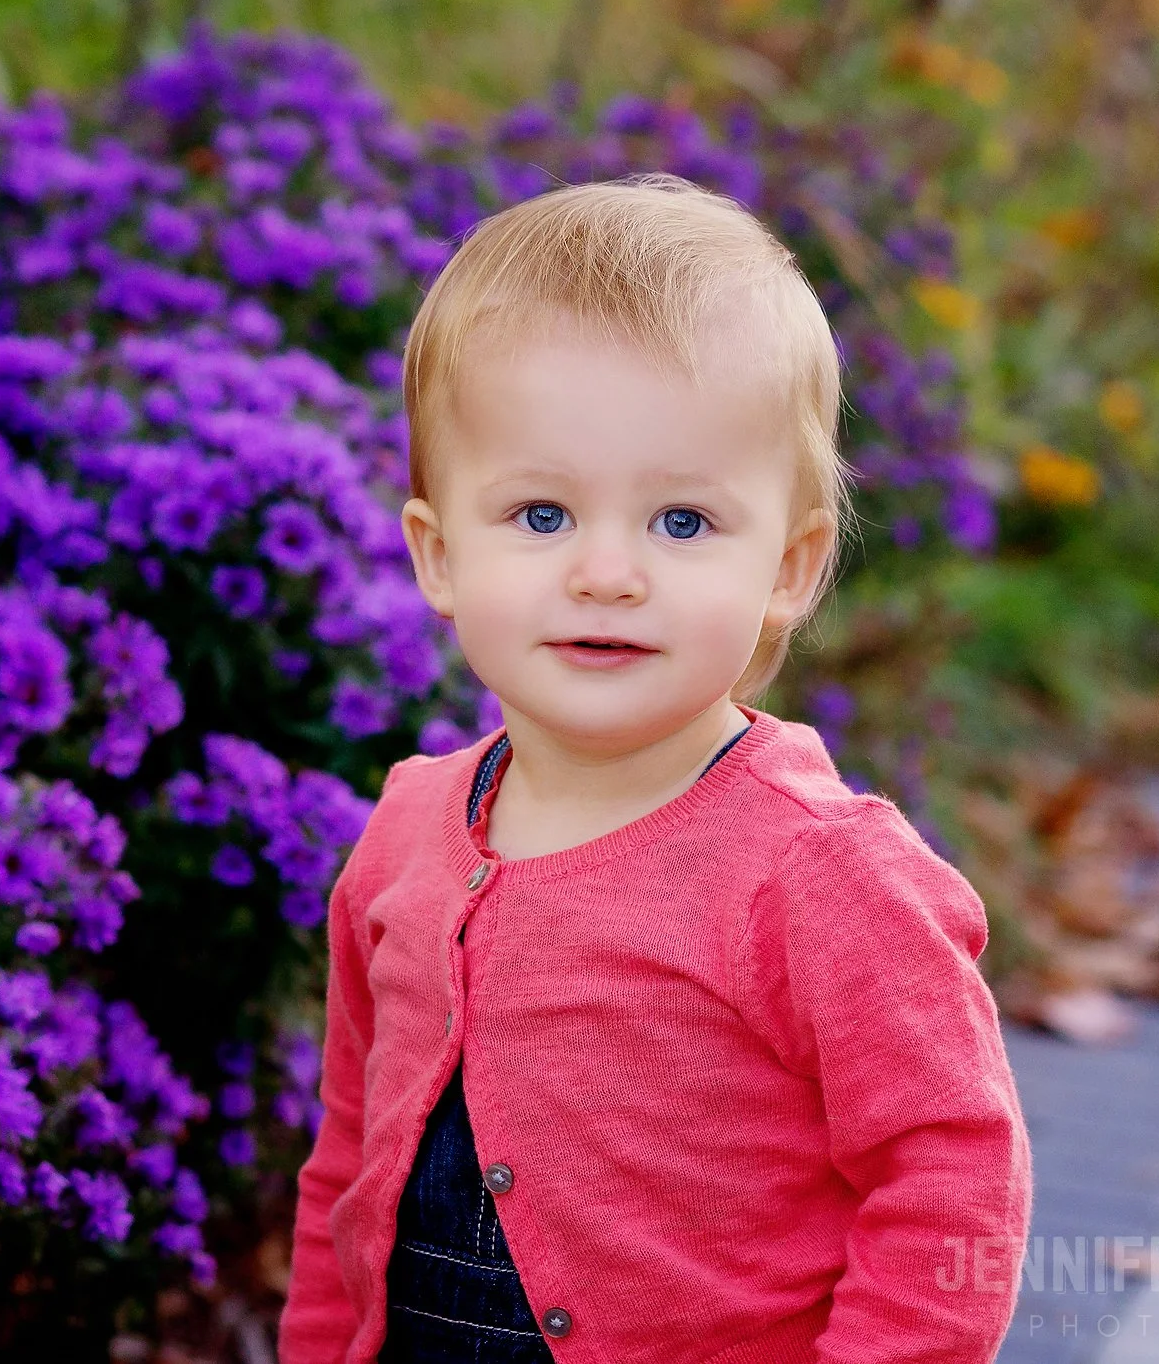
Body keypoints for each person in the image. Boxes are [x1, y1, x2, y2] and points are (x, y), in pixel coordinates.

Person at [277, 173, 1032, 1364]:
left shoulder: (818, 873)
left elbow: (952, 1175)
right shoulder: (407, 833)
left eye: (681, 522)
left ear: (789, 568)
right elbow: (345, 1166)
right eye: (540, 515)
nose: (607, 574)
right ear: (437, 553)